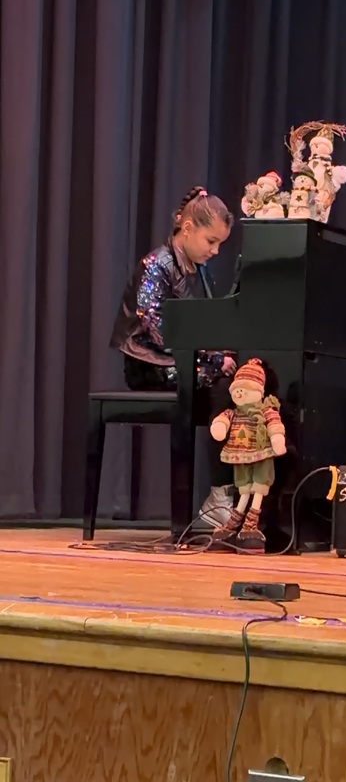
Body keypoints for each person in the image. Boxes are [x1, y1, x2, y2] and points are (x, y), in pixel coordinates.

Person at [110, 186, 237, 528]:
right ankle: (218, 498)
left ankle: (224, 495)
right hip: (149, 362)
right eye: (211, 241)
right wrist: (214, 359)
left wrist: (221, 352)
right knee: (223, 388)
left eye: (220, 244)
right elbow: (159, 329)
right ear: (188, 228)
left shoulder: (198, 268)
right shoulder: (157, 264)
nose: (215, 251)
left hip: (181, 357)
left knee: (238, 388)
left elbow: (203, 323)